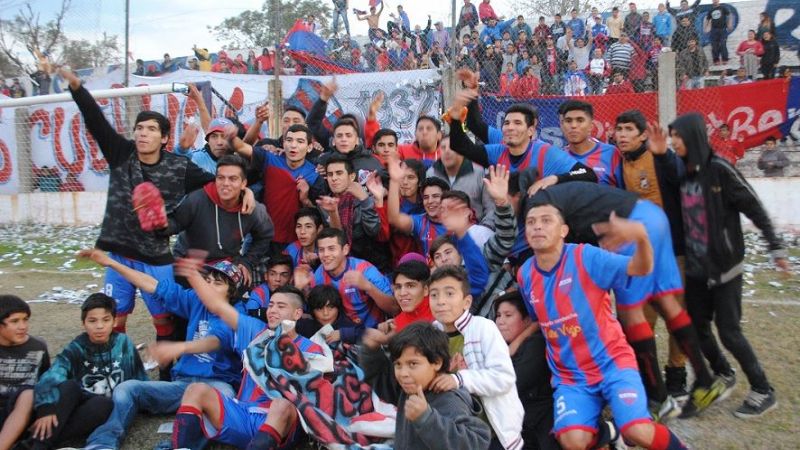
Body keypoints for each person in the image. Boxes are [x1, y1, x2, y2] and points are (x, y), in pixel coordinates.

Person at [58, 68, 220, 357]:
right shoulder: (122, 153)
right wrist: (76, 86)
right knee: (114, 318)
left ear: (164, 138)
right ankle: (114, 364)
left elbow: (219, 185)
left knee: (165, 318)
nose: (143, 133)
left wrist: (244, 191)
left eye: (151, 129)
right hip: (117, 253)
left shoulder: (179, 167)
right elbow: (95, 120)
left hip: (155, 256)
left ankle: (168, 372)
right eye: (140, 128)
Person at [516, 201, 690, 450]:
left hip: (612, 364)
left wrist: (641, 238)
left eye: (546, 220)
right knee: (573, 441)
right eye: (531, 222)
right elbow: (539, 320)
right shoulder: (525, 274)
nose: (537, 227)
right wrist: (517, 342)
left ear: (563, 230)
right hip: (571, 377)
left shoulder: (585, 257)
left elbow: (641, 268)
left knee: (637, 430)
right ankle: (611, 434)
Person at [660, 113, 788, 418]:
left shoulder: (719, 171)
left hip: (724, 267)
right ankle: (722, 373)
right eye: (671, 136)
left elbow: (754, 207)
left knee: (729, 331)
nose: (673, 142)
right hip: (695, 268)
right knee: (695, 327)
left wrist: (775, 246)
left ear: (692, 136)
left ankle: (763, 390)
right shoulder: (686, 174)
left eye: (677, 136)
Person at [76, 249, 246, 450]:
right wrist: (111, 263)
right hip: (183, 385)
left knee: (225, 400)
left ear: (232, 291)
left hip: (217, 386)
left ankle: (183, 445)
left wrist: (178, 348)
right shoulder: (194, 300)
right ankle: (102, 443)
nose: (208, 286)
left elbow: (215, 341)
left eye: (217, 283)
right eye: (207, 280)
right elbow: (151, 284)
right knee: (126, 389)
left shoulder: (237, 313)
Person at [170, 257, 326, 450]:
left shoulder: (311, 349)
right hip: (243, 414)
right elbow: (219, 306)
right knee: (196, 390)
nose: (273, 310)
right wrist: (193, 275)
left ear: (297, 314)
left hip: (281, 422)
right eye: (271, 305)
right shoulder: (256, 332)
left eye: (281, 306)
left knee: (281, 405)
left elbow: (317, 396)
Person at [23, 294, 146, 450]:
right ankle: (39, 445)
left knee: (103, 405)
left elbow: (139, 377)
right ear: (84, 324)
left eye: (106, 320)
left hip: (101, 409)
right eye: (92, 321)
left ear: (115, 321)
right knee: (69, 386)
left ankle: (35, 440)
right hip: (77, 402)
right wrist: (45, 408)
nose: (99, 326)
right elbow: (52, 376)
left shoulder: (123, 343)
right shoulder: (76, 347)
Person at [360, 322, 491, 450]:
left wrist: (426, 418)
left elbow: (475, 442)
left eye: (413, 364)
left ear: (437, 362)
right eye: (398, 364)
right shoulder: (411, 389)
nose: (403, 373)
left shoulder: (450, 400)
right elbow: (384, 383)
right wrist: (371, 350)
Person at [164, 154, 274, 289]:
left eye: (233, 179)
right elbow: (175, 224)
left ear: (243, 183)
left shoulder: (252, 208)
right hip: (190, 264)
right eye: (221, 178)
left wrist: (247, 262)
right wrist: (160, 223)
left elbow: (265, 235)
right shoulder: (196, 200)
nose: (225, 183)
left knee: (237, 288)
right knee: (188, 302)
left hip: (226, 264)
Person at [229, 124, 321, 251]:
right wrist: (231, 135)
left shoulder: (315, 174)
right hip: (263, 238)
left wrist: (305, 199)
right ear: (283, 143)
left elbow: (320, 215)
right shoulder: (270, 158)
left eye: (300, 141)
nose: (293, 145)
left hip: (294, 244)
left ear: (309, 147)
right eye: (289, 140)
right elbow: (240, 147)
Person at [494, 291, 561, 450]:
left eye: (508, 315)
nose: (500, 321)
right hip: (522, 427)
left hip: (544, 424)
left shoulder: (536, 344)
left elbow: (513, 383)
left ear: (526, 320)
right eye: (498, 315)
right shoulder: (502, 347)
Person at [294, 228, 396, 328]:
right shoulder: (319, 275)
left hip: (373, 333)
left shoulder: (365, 270)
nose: (325, 255)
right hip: (338, 336)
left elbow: (394, 309)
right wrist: (301, 289)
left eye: (331, 248)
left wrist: (368, 287)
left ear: (345, 250)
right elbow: (315, 308)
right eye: (321, 250)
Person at [0, 295, 50, 450]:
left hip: (24, 411)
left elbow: (45, 381)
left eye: (25, 319)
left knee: (28, 394)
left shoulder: (38, 347)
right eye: (15, 321)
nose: (23, 326)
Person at [427, 135, 495, 226]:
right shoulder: (431, 174)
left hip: (474, 231)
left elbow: (491, 209)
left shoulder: (480, 172)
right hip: (440, 233)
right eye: (443, 148)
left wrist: (483, 231)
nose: (447, 151)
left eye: (452, 147)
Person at [558, 100, 623, 186]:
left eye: (580, 120)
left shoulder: (611, 153)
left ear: (591, 126)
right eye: (568, 121)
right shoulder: (558, 158)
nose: (573, 125)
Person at [296, 284, 364, 345]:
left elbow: (370, 336)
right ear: (312, 311)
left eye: (331, 307)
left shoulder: (349, 327)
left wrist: (343, 334)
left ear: (338, 307)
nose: (326, 313)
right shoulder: (305, 327)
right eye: (319, 309)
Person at [246, 254, 294, 321]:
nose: (277, 279)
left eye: (284, 275)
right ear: (266, 276)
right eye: (272, 274)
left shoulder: (294, 294)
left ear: (291, 279)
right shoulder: (259, 293)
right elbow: (251, 313)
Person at [704, 0, 734, 65]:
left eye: (716, 0)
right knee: (714, 45)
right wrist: (705, 28)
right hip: (713, 30)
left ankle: (725, 59)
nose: (715, 1)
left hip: (722, 29)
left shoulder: (723, 8)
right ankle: (716, 59)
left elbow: (730, 15)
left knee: (723, 44)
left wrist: (730, 24)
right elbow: (707, 19)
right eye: (714, 0)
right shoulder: (711, 10)